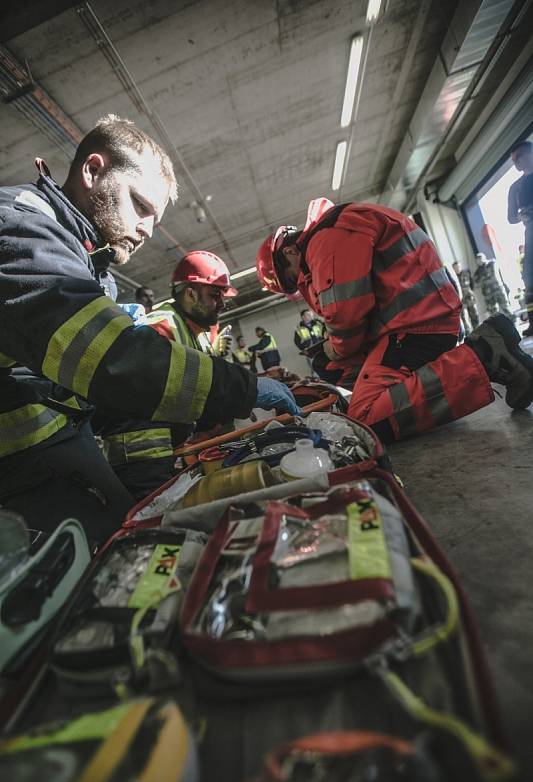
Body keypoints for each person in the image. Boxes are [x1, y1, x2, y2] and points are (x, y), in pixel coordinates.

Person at [0, 114, 300, 549]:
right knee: (106, 564)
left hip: (55, 444)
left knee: (139, 539)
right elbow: (113, 361)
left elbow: (94, 392)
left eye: (154, 218)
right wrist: (242, 388)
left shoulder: (83, 260)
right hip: (18, 464)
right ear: (92, 171)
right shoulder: (20, 231)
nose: (145, 229)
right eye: (140, 205)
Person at [255, 196, 533, 444]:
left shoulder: (326, 241)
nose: (299, 283)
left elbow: (347, 322)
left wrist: (331, 346)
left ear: (290, 252)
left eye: (292, 279)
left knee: (367, 418)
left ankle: (486, 355)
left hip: (416, 327)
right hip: (416, 321)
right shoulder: (336, 230)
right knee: (327, 364)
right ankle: (412, 387)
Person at [98, 250, 241, 499]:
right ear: (190, 293)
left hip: (166, 447)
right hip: (143, 452)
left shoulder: (194, 332)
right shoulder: (160, 326)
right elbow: (137, 391)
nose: (222, 303)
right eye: (215, 295)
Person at [508, 141, 533, 336]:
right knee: (529, 277)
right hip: (530, 231)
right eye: (514, 160)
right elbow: (510, 217)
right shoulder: (515, 188)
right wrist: (521, 216)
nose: (517, 162)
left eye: (520, 156)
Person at [473, 252, 512, 318]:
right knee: (493, 312)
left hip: (498, 290)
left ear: (484, 257)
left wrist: (506, 285)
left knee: (506, 307)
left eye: (480, 258)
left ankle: (514, 322)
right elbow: (476, 281)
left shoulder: (492, 263)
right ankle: (499, 327)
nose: (479, 261)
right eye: (477, 260)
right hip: (488, 294)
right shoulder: (477, 272)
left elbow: (497, 274)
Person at [452, 260, 479, 332]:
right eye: (455, 268)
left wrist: (470, 292)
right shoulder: (452, 278)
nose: (457, 269)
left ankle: (478, 332)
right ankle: (470, 334)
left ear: (460, 267)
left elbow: (472, 284)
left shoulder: (466, 273)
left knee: (475, 316)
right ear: (453, 269)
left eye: (458, 267)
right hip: (461, 301)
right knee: (465, 319)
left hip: (470, 298)